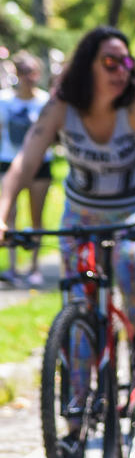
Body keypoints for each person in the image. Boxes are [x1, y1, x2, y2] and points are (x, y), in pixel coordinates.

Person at [0, 26, 135, 377]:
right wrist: (3, 213)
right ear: (88, 67)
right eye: (110, 62)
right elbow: (25, 162)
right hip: (81, 213)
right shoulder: (62, 106)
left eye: (125, 62)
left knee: (130, 260)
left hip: (134, 209)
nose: (121, 71)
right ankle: (75, 414)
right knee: (79, 304)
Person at [0, 51, 51, 285]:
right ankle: (12, 267)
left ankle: (34, 268)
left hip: (40, 165)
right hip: (9, 162)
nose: (29, 77)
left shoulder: (45, 101)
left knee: (36, 216)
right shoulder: (4, 101)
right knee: (9, 216)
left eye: (32, 72)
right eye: (24, 72)